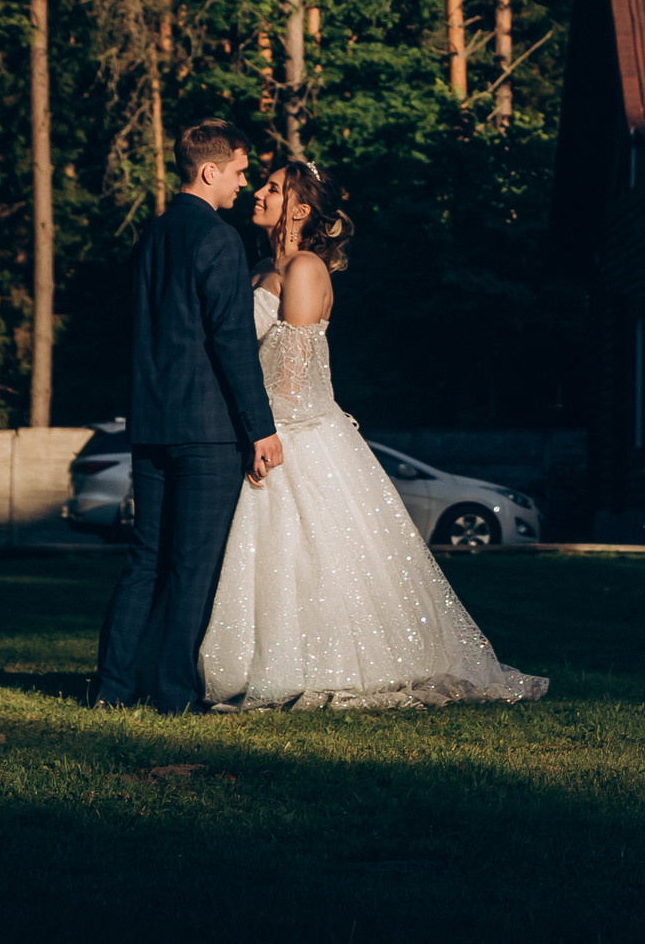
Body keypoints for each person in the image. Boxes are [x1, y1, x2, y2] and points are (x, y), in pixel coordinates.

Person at [195, 159, 547, 710]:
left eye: (272, 188)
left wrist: (260, 432)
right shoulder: (263, 265)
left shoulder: (305, 268)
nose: (257, 194)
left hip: (293, 433)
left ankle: (325, 664)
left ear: (301, 208)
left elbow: (292, 375)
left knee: (317, 557)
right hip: (263, 428)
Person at [94, 119, 283, 713]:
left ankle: (112, 690)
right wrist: (261, 426)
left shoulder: (151, 235)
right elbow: (230, 340)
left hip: (150, 425)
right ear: (210, 170)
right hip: (206, 431)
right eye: (239, 171)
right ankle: (175, 696)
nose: (243, 182)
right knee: (193, 566)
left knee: (144, 561)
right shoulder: (219, 237)